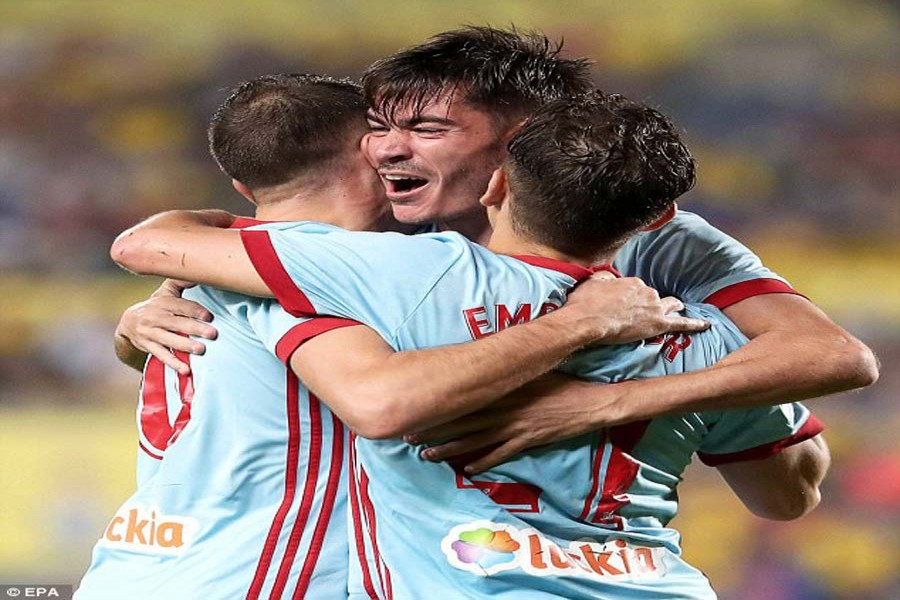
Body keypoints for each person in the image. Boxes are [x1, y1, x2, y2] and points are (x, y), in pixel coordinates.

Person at [110, 90, 831, 598]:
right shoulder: (715, 333)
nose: (402, 153)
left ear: (496, 182)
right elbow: (791, 490)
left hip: (197, 573)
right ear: (657, 218)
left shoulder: (380, 279)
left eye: (422, 133)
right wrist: (591, 340)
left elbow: (147, 245)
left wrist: (157, 300)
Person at [116, 26, 876, 475]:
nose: (384, 150)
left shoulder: (659, 241)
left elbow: (836, 359)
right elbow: (159, 249)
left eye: (426, 130)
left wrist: (610, 402)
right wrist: (143, 322)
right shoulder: (381, 232)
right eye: (380, 125)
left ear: (519, 147)